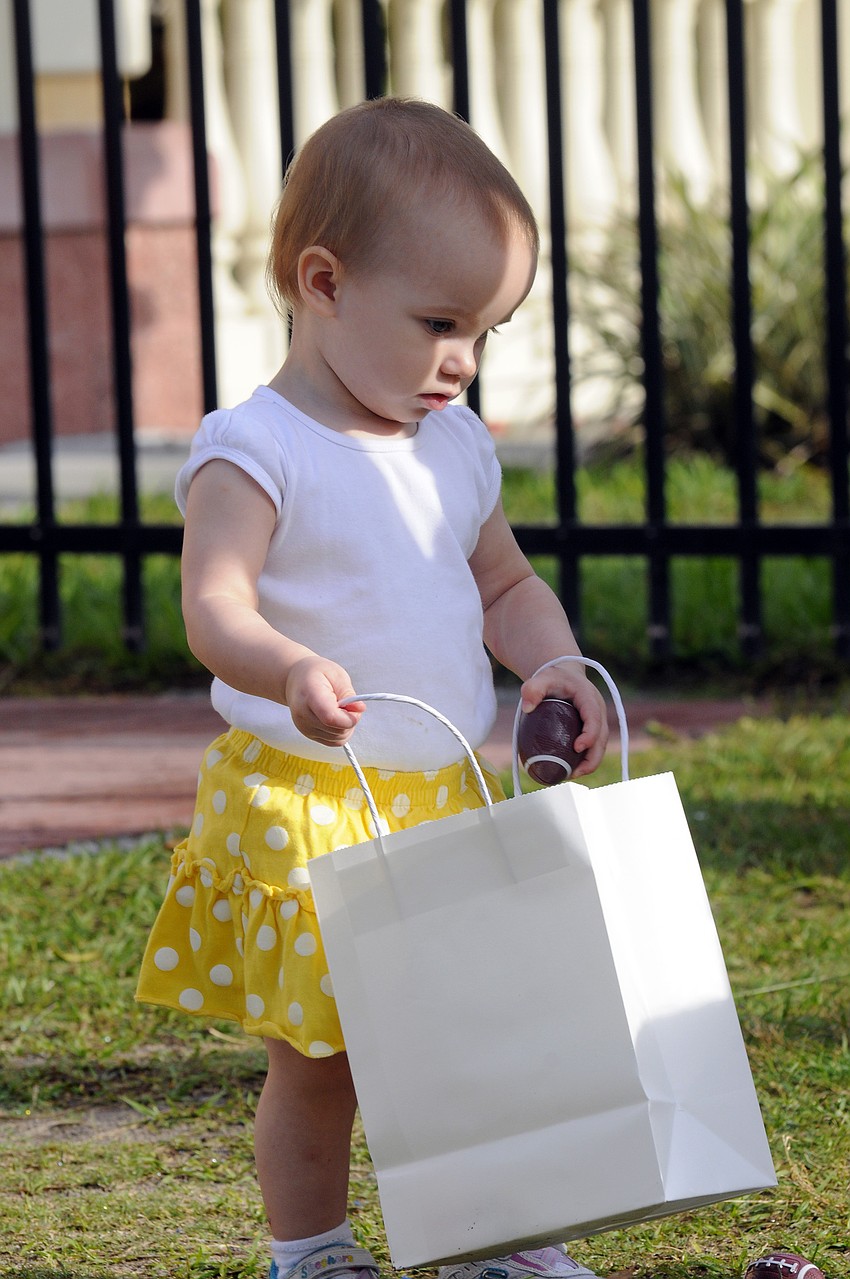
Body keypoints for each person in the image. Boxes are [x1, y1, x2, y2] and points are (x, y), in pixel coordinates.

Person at [136, 96, 609, 1279]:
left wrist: (546, 657)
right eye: (442, 321)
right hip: (311, 794)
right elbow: (214, 606)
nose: (463, 359)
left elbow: (502, 582)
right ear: (324, 282)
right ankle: (315, 1247)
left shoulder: (452, 443)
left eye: (488, 330)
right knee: (328, 1056)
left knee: (472, 1036)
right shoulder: (259, 448)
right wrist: (284, 665)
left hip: (432, 791)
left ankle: (500, 1239)